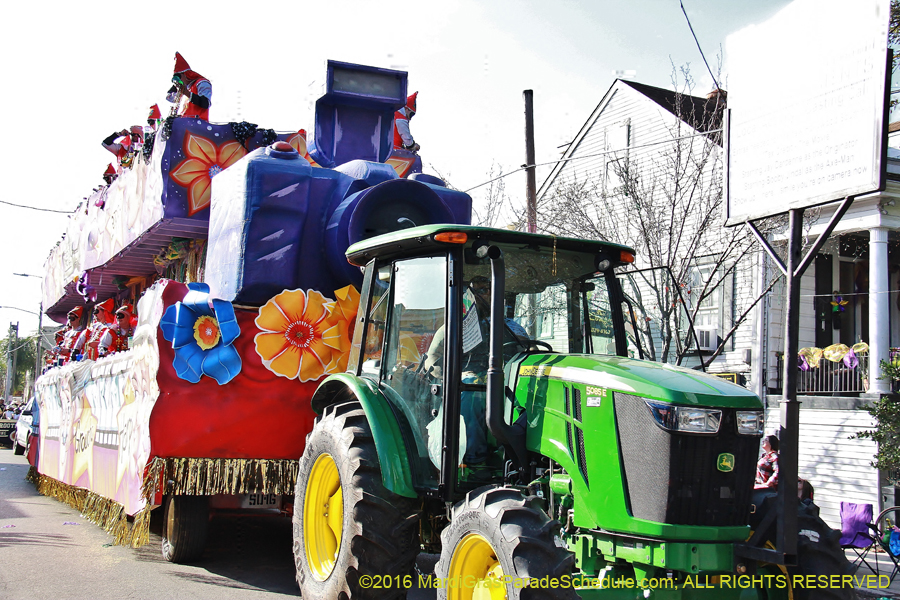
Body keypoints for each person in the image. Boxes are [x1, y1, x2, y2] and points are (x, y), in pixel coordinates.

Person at [166, 52, 212, 120]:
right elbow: (170, 98)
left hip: (199, 124)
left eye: (179, 77)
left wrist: (186, 92)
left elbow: (205, 103)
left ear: (185, 74)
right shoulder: (187, 88)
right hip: (186, 124)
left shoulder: (201, 83)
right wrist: (176, 86)